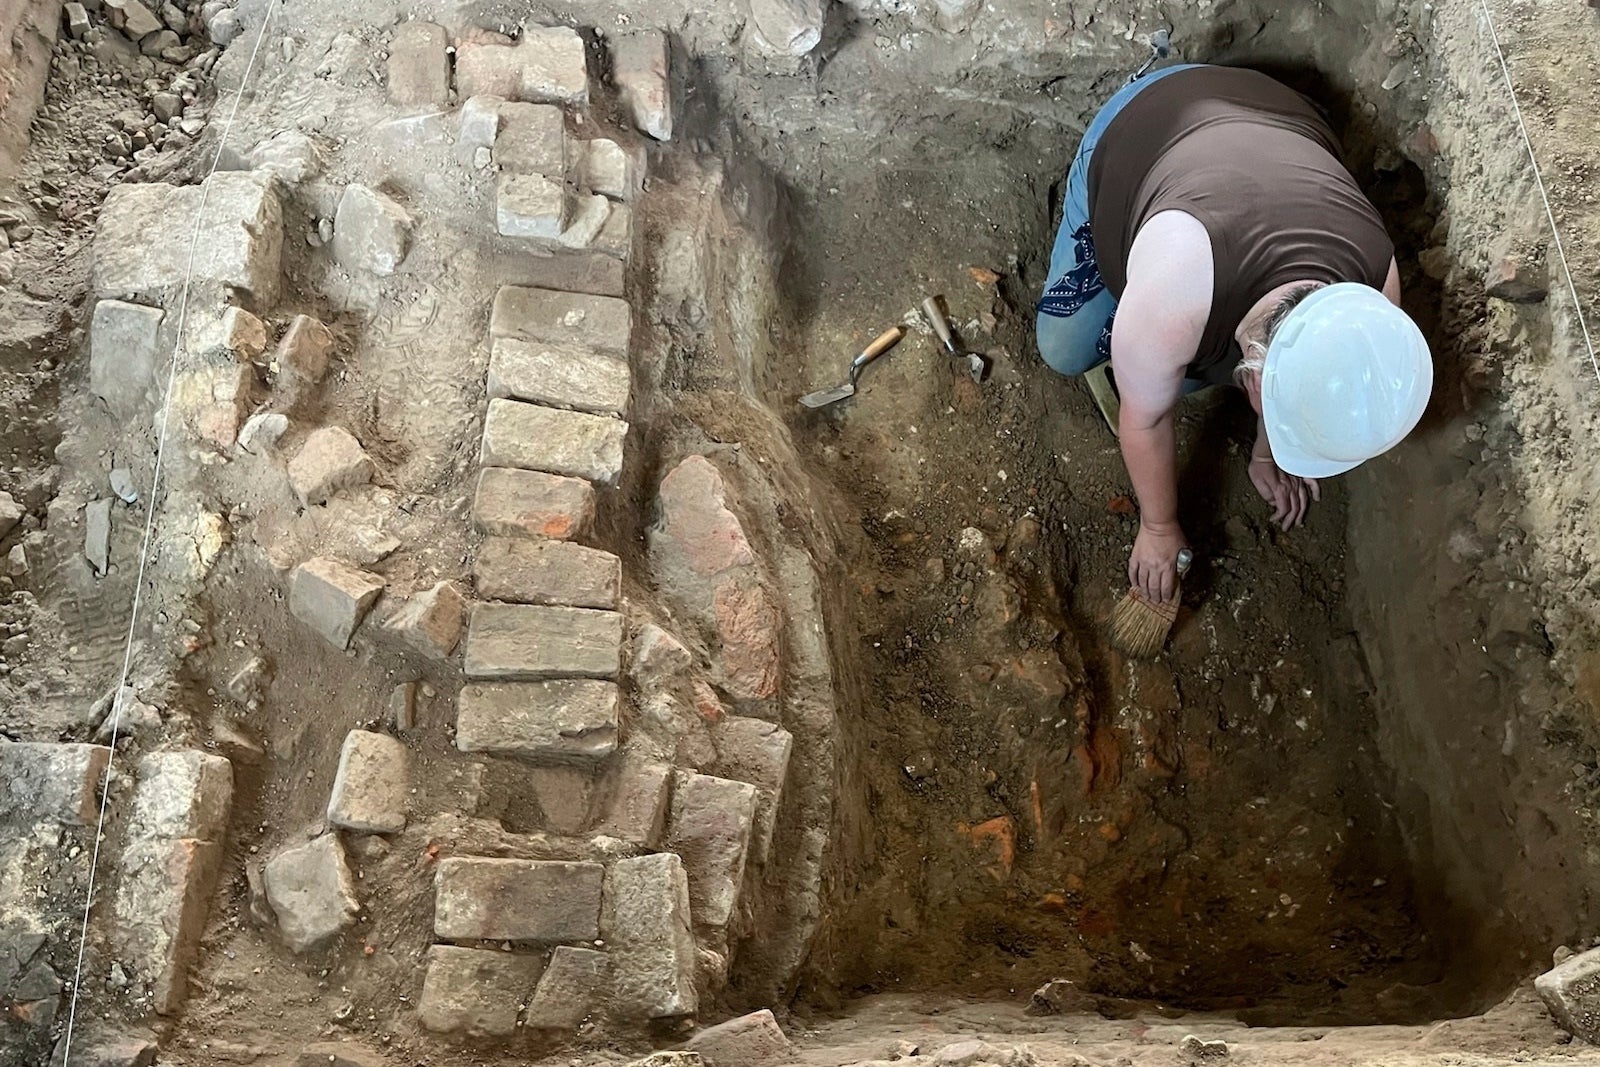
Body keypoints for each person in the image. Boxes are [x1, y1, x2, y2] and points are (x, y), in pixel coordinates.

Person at [1036, 63, 1432, 606]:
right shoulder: (1177, 292)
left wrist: (1272, 453)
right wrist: (1157, 527)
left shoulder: (1376, 294)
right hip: (1148, 122)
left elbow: (1307, 365)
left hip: (1277, 117)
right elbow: (1144, 418)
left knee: (1174, 370)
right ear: (1255, 374)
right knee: (1065, 349)